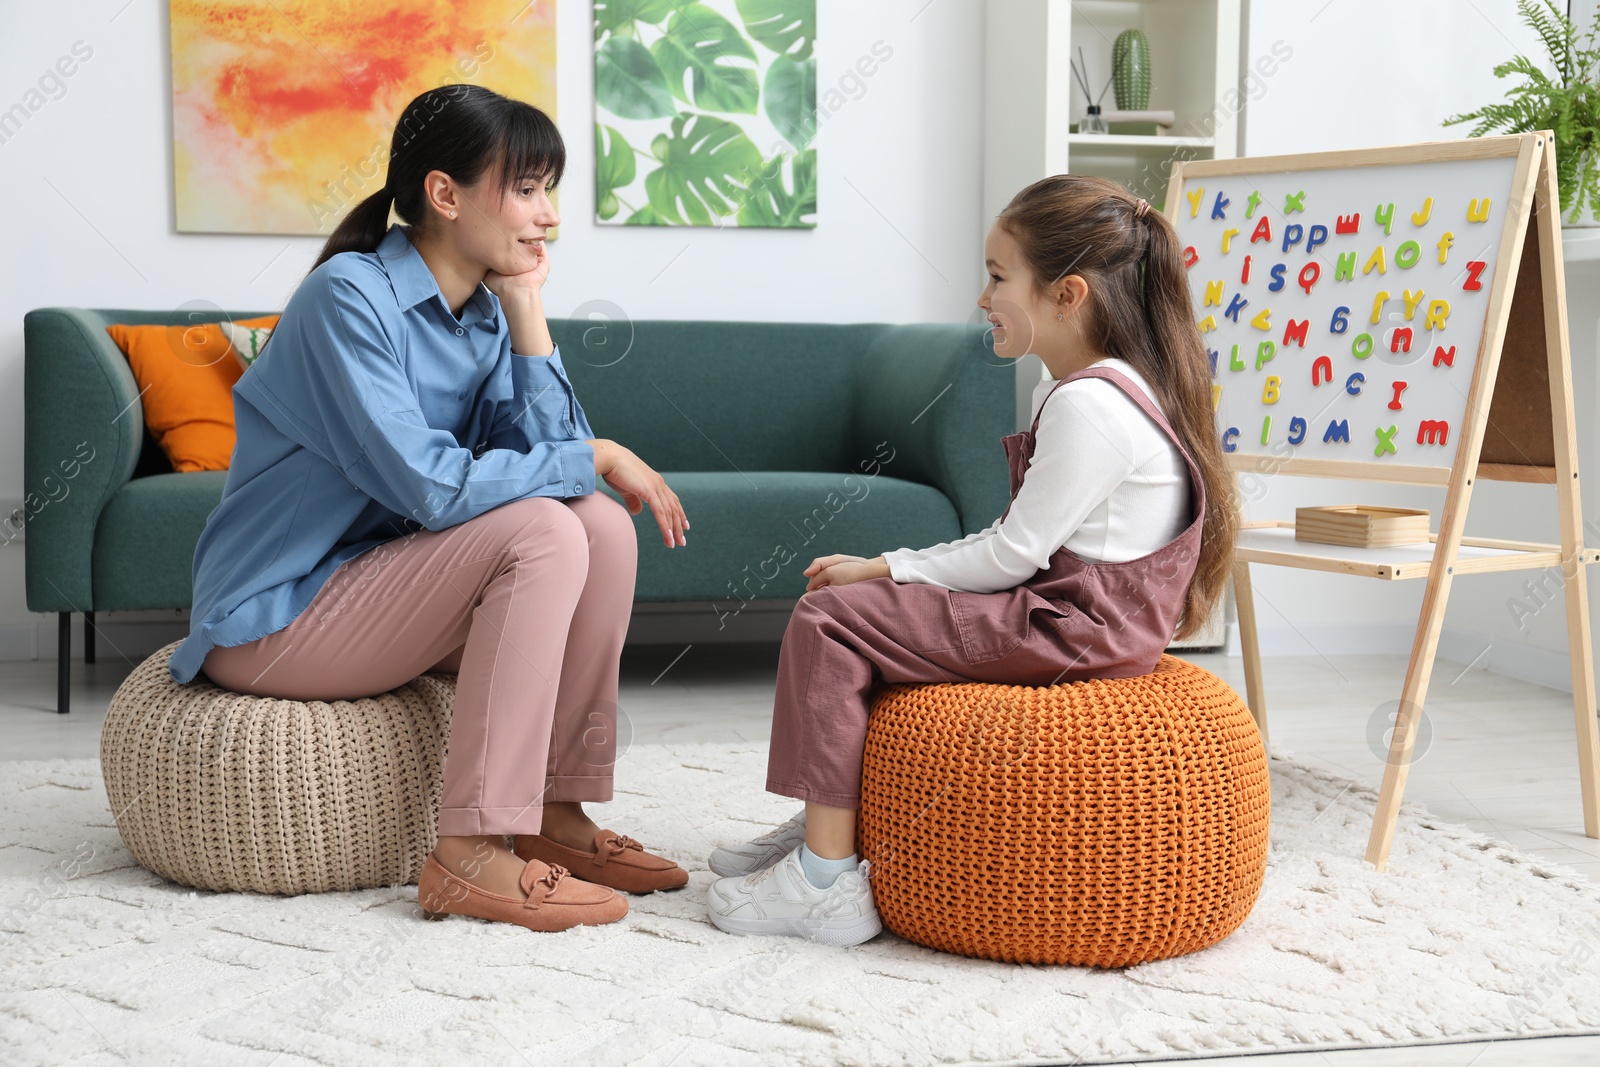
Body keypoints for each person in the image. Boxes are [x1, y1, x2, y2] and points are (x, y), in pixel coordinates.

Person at [169, 84, 692, 934]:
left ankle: (553, 821)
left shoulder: (483, 315)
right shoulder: (349, 297)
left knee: (595, 522)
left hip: (378, 596)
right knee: (549, 527)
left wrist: (527, 314)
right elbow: (430, 486)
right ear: (445, 195)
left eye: (547, 189)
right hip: (273, 617)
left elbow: (560, 474)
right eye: (526, 188)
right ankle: (470, 850)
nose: (549, 216)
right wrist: (589, 454)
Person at [703, 174, 1239, 945]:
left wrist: (886, 566)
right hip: (1087, 617)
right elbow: (1018, 537)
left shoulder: (1089, 403)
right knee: (857, 616)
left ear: (1068, 294)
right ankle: (832, 823)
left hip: (1071, 629)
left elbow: (1014, 553)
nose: (983, 297)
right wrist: (895, 568)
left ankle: (824, 881)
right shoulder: (1121, 386)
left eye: (996, 276)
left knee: (829, 619)